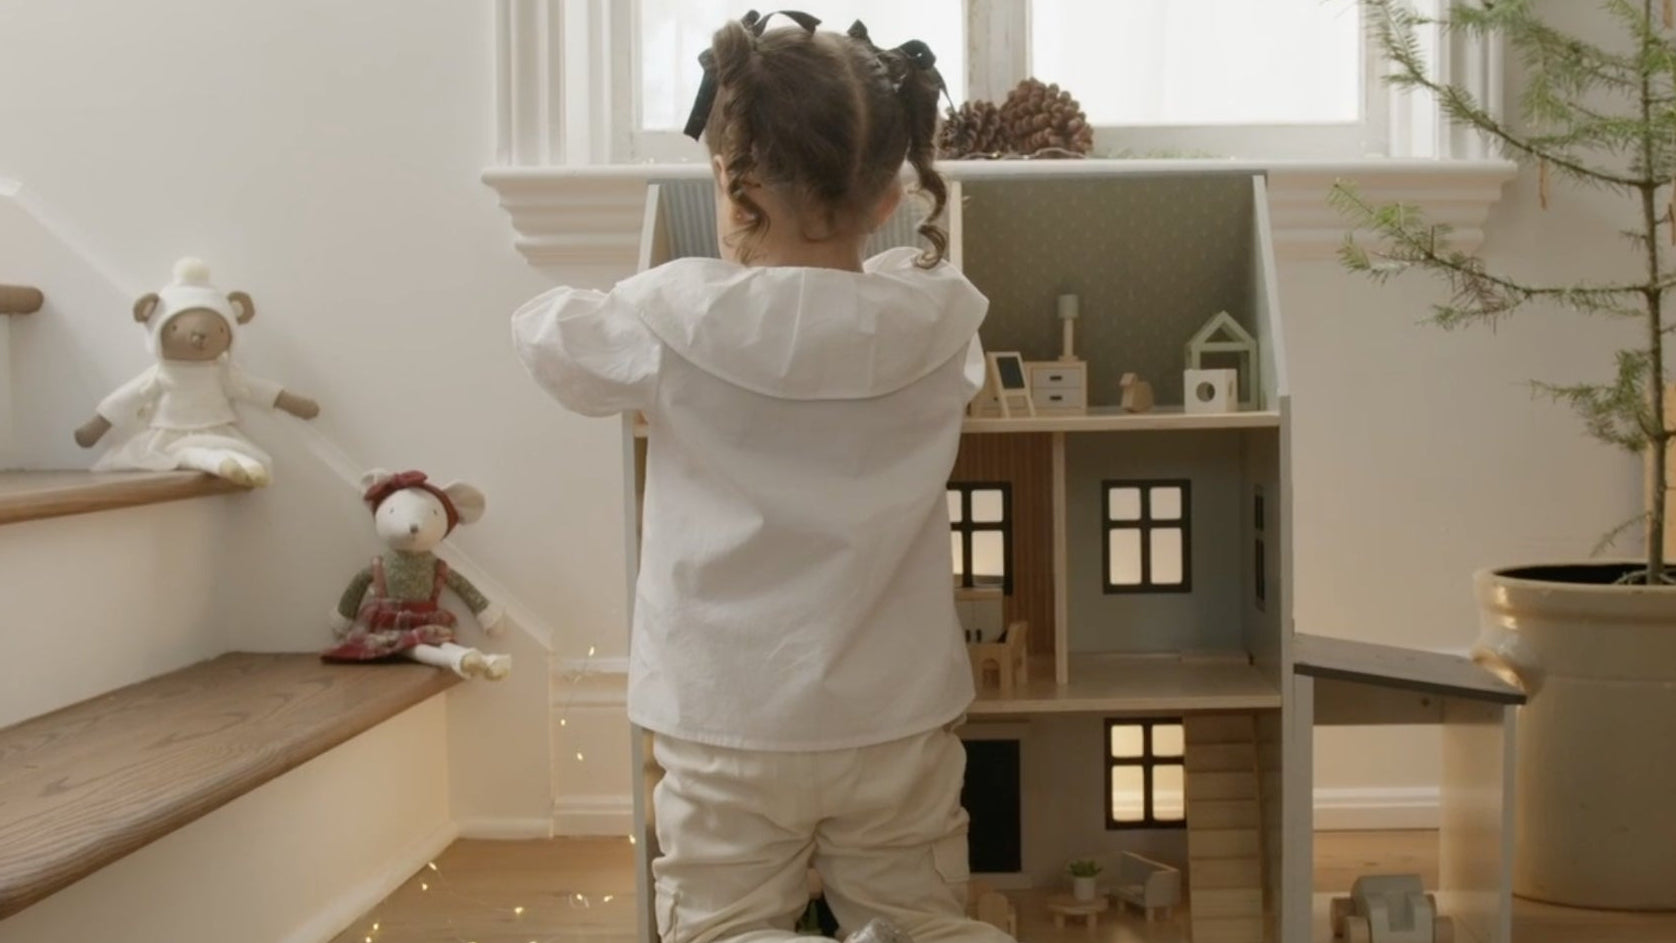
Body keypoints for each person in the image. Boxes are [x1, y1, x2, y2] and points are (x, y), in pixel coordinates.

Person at [513, 11, 1011, 943]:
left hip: (723, 717)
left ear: (731, 189)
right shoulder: (938, 323)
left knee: (723, 925)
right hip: (894, 714)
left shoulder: (675, 321)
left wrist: (657, 303)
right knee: (923, 919)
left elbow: (545, 335)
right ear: (889, 195)